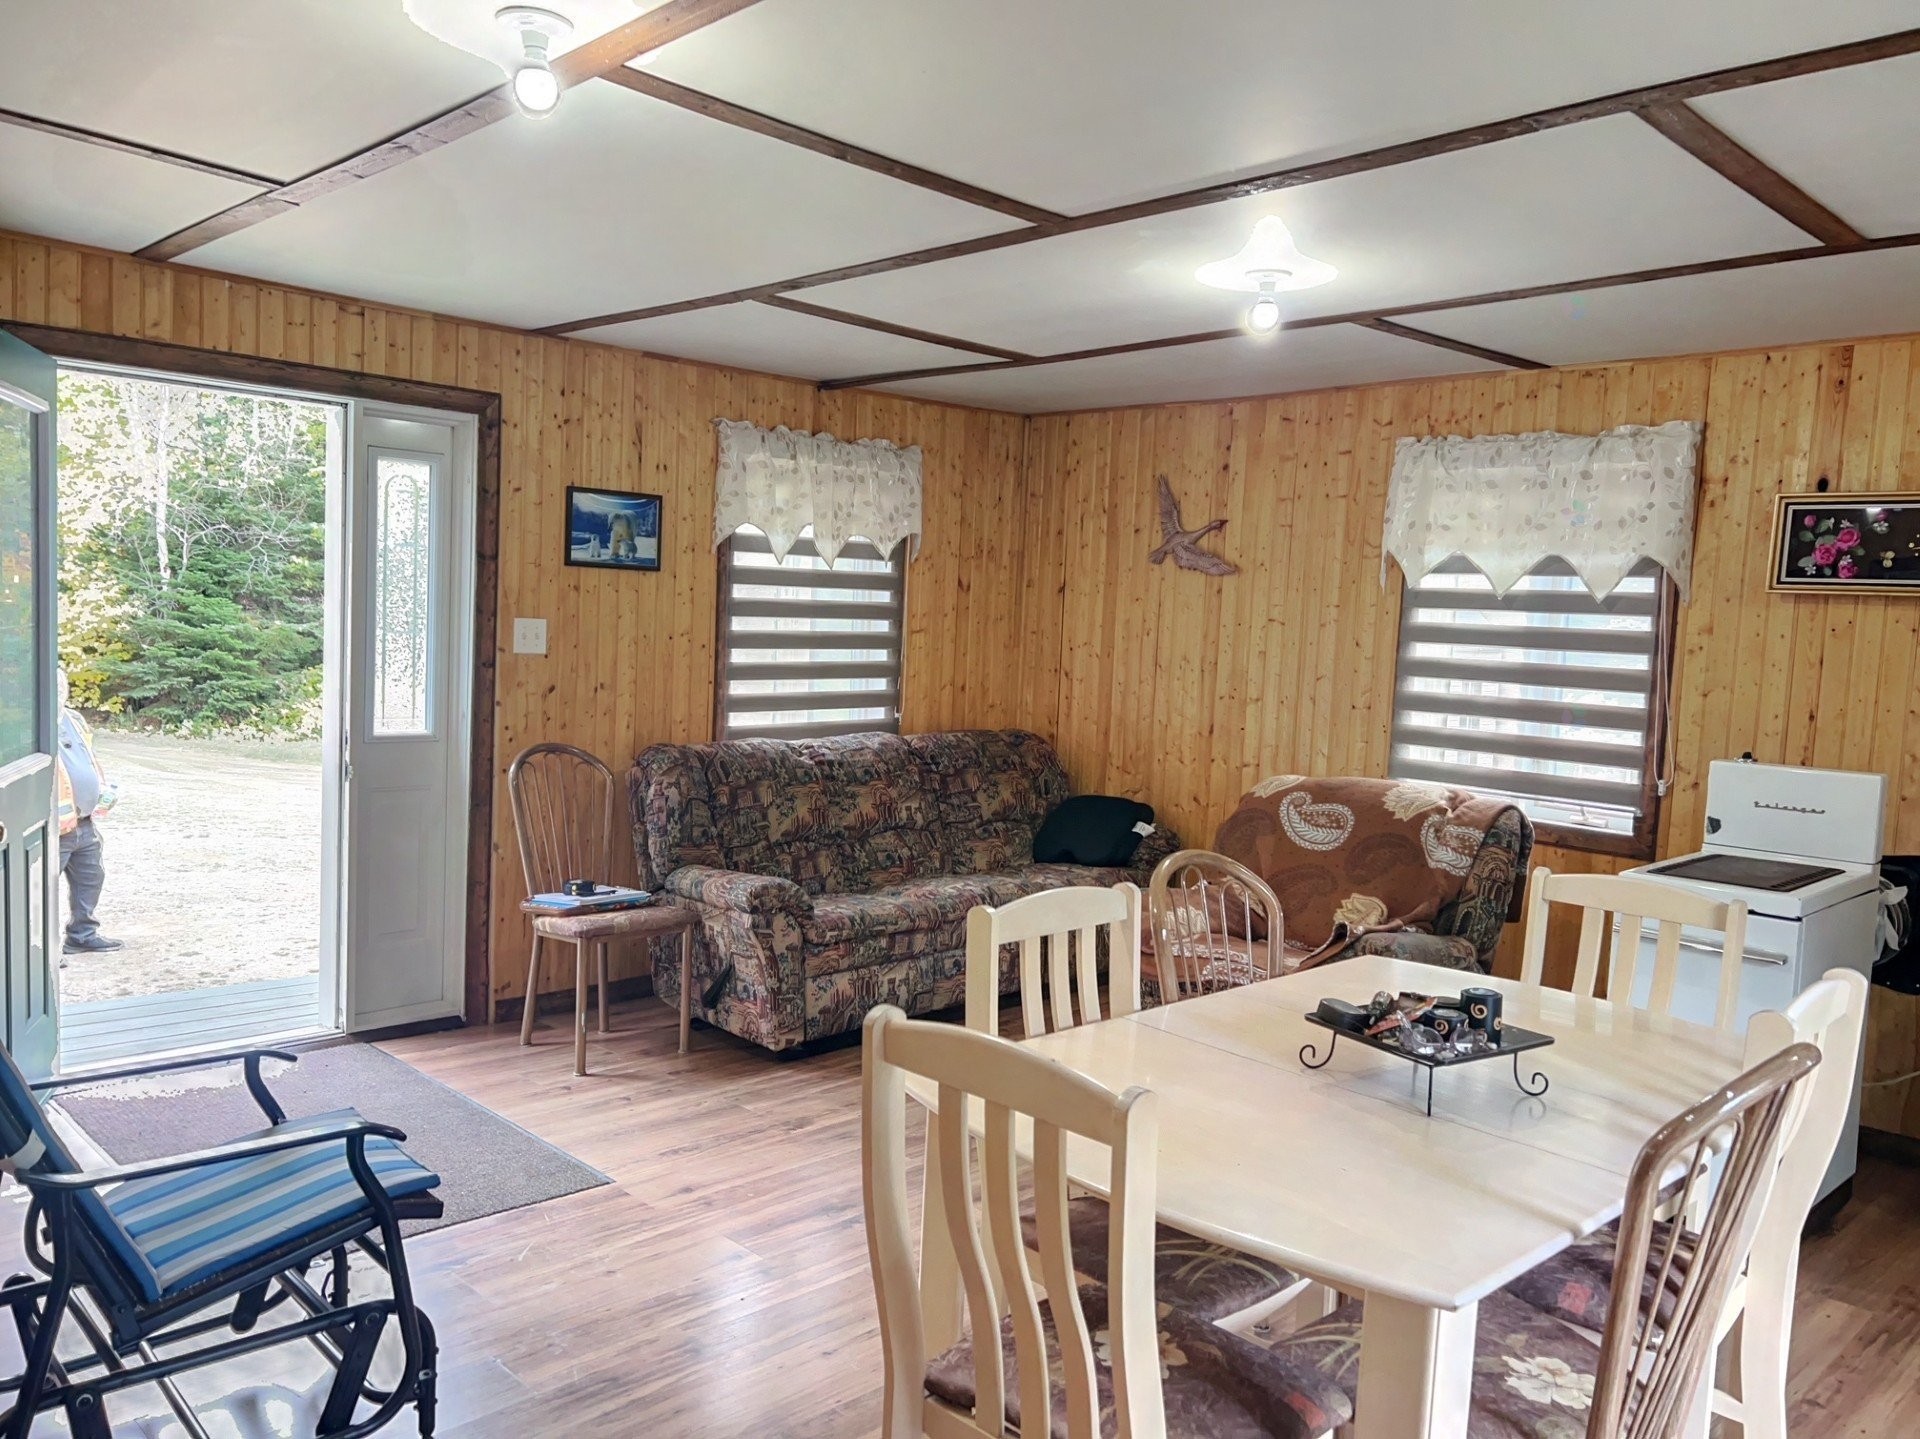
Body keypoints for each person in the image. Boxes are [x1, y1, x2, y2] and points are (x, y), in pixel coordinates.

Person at [56, 671, 122, 954]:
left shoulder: (73, 719)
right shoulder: (32, 723)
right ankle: (42, 953)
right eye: (54, 685)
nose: (60, 690)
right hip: (53, 829)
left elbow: (88, 758)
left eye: (62, 685)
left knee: (91, 878)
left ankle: (82, 935)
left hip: (84, 822)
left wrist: (102, 789)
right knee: (39, 895)